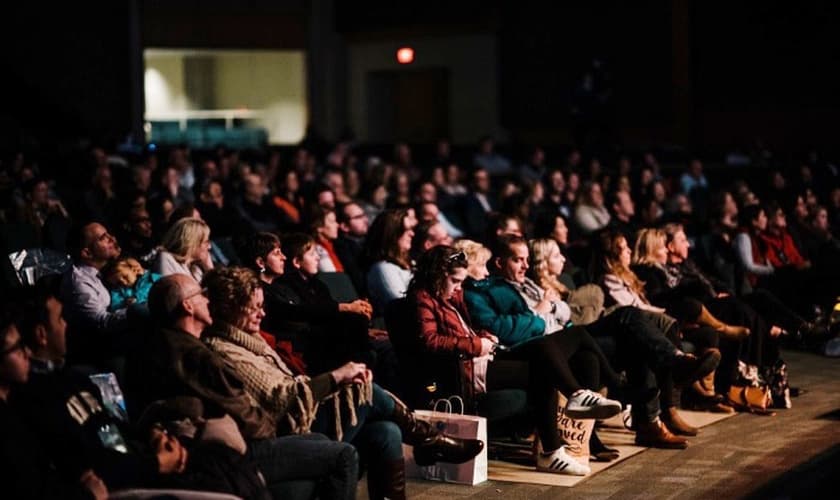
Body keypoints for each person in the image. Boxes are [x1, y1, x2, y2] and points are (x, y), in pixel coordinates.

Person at [201, 266, 484, 500]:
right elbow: (282, 397)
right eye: (254, 308)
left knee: (385, 432)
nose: (262, 314)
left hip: (300, 414)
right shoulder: (224, 349)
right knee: (366, 390)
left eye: (261, 306)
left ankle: (425, 441)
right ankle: (428, 439)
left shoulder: (252, 341)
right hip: (286, 428)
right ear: (230, 309)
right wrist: (337, 377)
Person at [141, 273, 363, 500]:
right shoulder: (195, 355)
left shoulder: (180, 346)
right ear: (187, 305)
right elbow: (244, 412)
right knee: (344, 454)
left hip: (236, 438)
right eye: (201, 294)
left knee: (342, 437)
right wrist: (272, 428)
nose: (208, 301)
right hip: (236, 449)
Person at [411, 245, 623, 476]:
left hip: (484, 356)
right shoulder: (423, 297)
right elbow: (430, 342)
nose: (458, 288)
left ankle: (577, 396)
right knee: (543, 371)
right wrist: (476, 344)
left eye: (461, 282)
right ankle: (552, 450)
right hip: (467, 371)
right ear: (437, 275)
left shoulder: (452, 295)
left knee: (566, 339)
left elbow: (466, 329)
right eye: (454, 281)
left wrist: (482, 336)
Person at [363, 209, 416, 316]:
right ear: (392, 235)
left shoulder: (410, 262)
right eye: (406, 230)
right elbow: (401, 305)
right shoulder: (383, 268)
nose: (412, 234)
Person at [152, 217, 214, 284]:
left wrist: (209, 269)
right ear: (192, 242)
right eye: (206, 242)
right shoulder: (166, 259)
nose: (209, 247)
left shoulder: (195, 269)